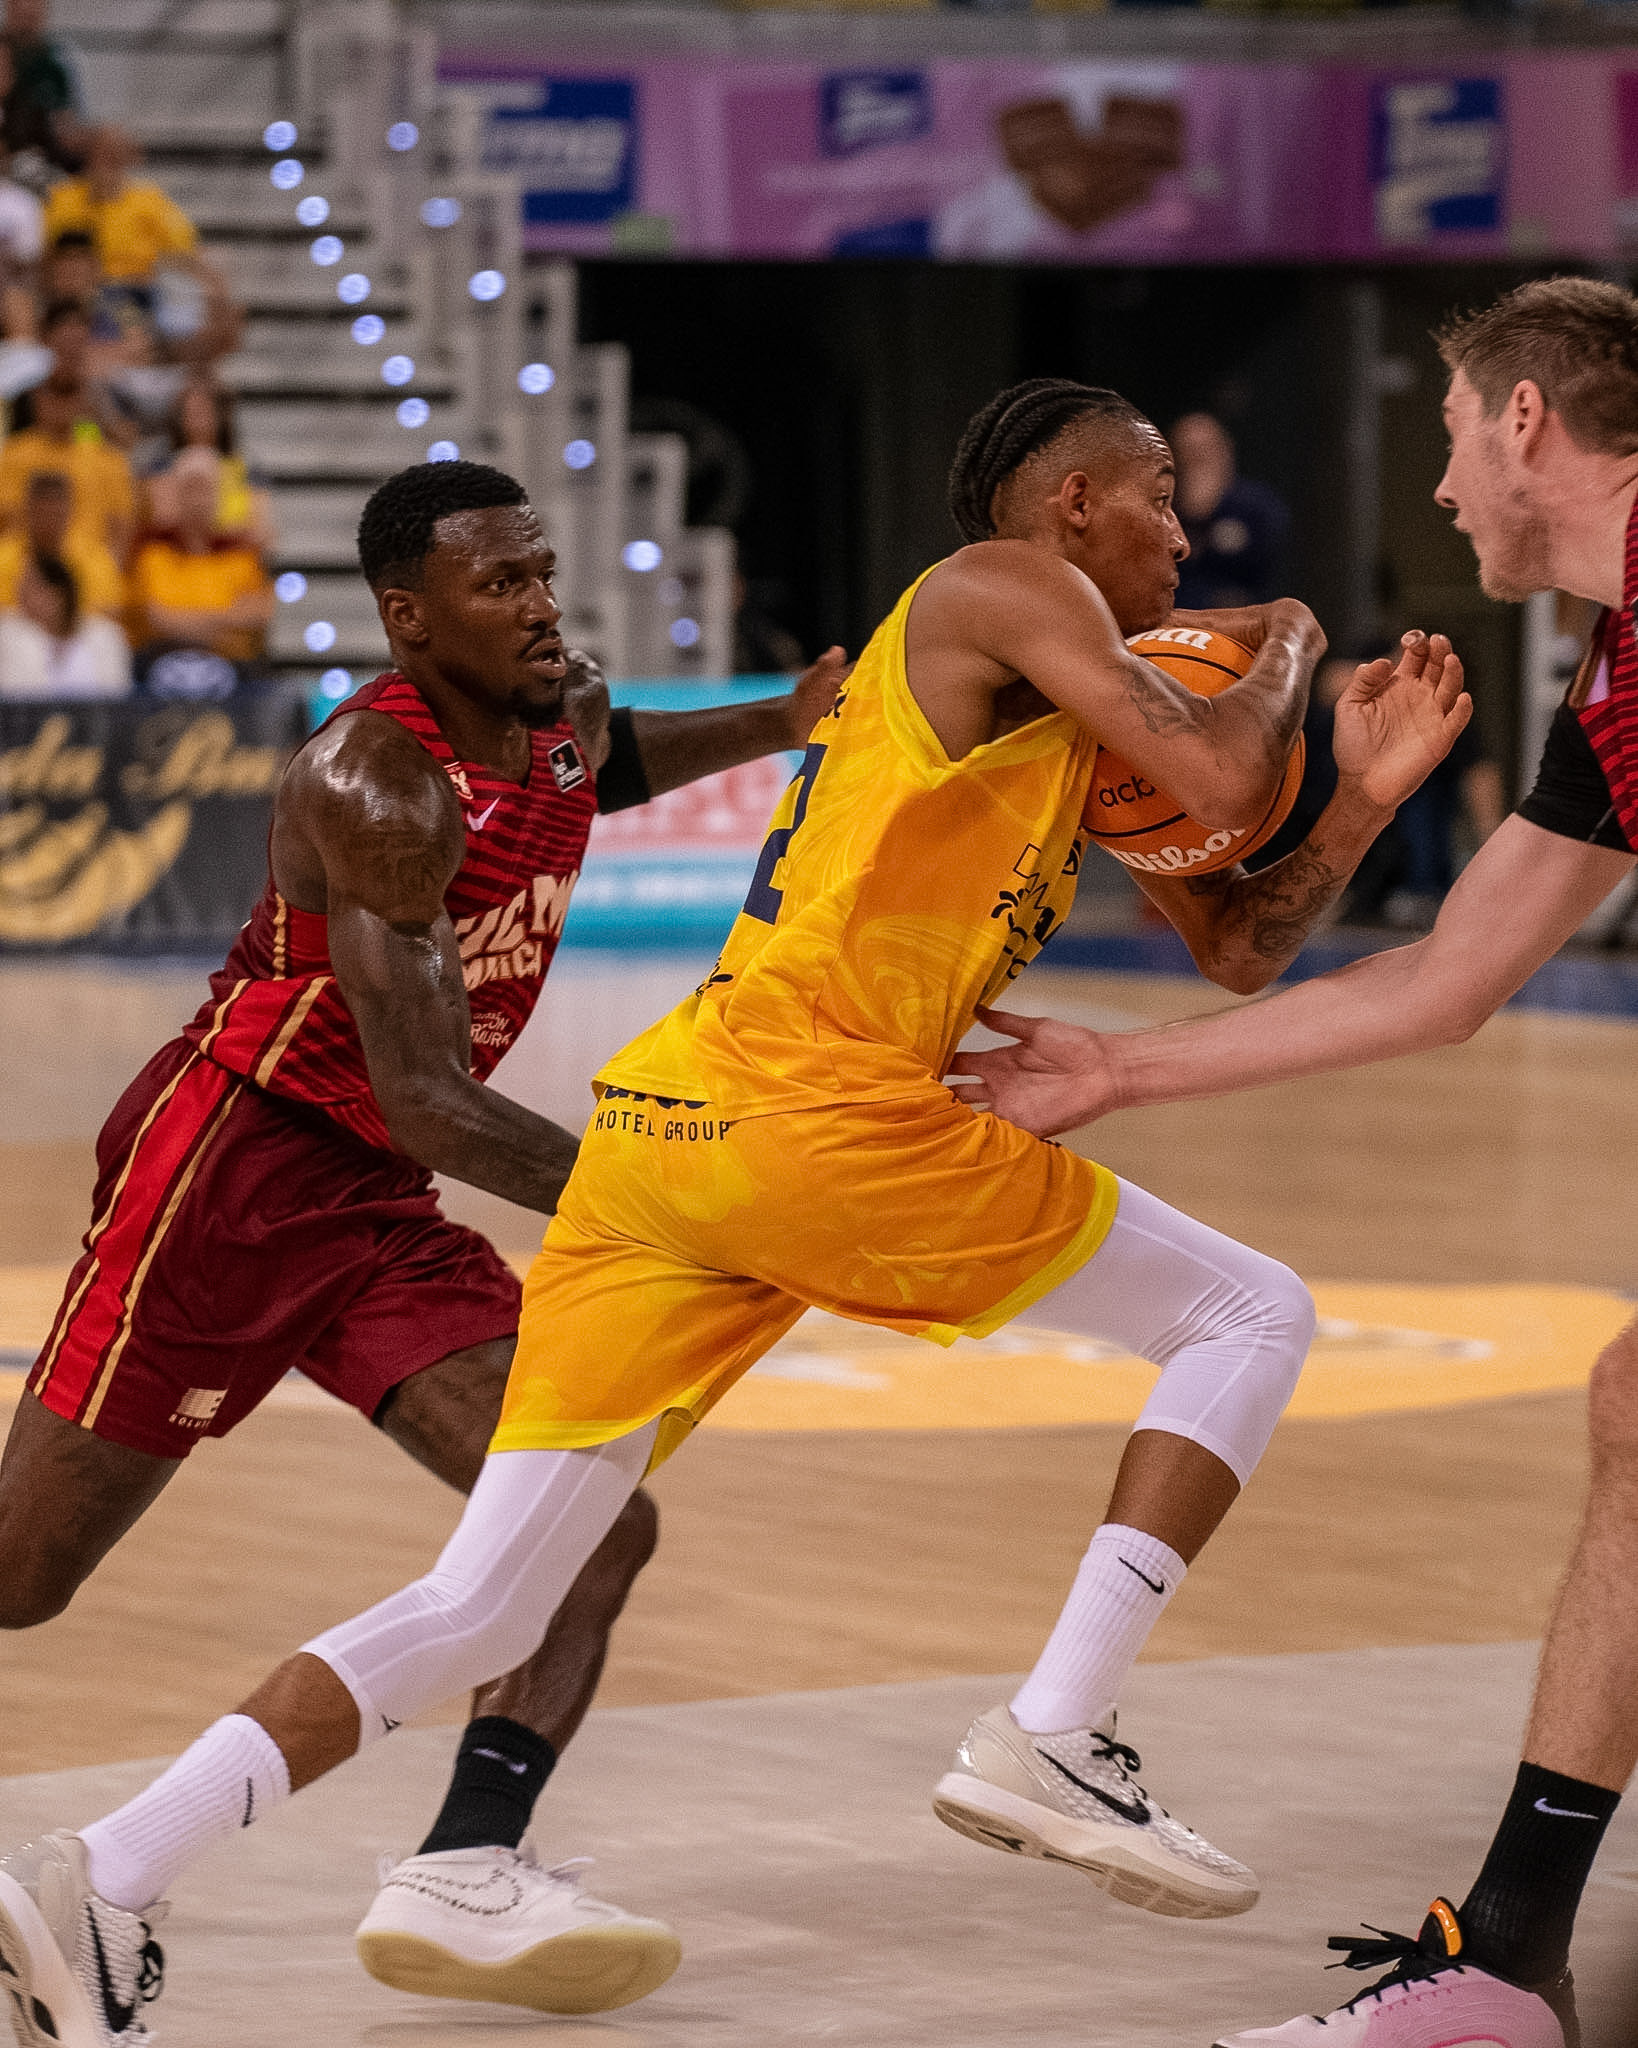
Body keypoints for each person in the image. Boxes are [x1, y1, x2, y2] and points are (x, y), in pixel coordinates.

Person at [0, 382, 1471, 2044]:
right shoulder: (997, 585)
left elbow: (1239, 945)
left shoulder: (1051, 715)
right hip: (764, 1120)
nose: (1184, 535)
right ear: (1068, 504)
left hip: (665, 1127)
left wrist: (1360, 798)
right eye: (1154, 496)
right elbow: (1220, 751)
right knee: (1249, 1312)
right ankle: (1054, 1728)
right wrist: (1288, 631)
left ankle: (113, 1871)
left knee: (501, 1590)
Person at [0, 457, 849, 2034]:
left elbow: (611, 759)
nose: (539, 605)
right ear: (409, 617)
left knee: (589, 1525)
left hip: (379, 1204)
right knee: (21, 1577)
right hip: (236, 1175)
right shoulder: (373, 784)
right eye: (498, 583)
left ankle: (467, 1860)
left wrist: (785, 719)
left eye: (541, 572)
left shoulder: (556, 713)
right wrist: (672, 1192)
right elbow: (432, 1100)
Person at [949, 281, 1638, 2048]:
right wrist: (1119, 1065)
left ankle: (1504, 1964)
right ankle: (1505, 1959)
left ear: (1524, 422)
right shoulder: (1613, 663)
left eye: (1447, 436)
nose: (1438, 492)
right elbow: (1446, 977)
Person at [127, 446, 271, 665]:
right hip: (161, 662)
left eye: (205, 489)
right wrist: (222, 624)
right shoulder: (152, 553)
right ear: (176, 495)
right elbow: (155, 618)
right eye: (190, 489)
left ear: (219, 496)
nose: (198, 500)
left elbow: (257, 614)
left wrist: (186, 622)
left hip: (233, 666)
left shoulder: (241, 554)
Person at [0, 370, 134, 564]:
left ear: (83, 401)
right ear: (38, 399)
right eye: (54, 395)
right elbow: (7, 519)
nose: (60, 406)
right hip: (23, 560)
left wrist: (109, 569)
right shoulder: (14, 452)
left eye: (69, 396)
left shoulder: (108, 458)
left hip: (88, 562)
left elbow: (121, 525)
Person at [1171, 411, 1290, 612]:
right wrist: (1192, 514)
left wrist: (1211, 510)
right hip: (1177, 617)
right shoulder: (1165, 508)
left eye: (1204, 451)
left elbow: (1264, 563)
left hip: (1245, 616)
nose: (1196, 461)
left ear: (1225, 451)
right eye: (1187, 452)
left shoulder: (1255, 505)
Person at [0, 547, 127, 695]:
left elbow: (119, 695)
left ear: (60, 593)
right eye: (21, 588)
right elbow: (12, 696)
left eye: (32, 587)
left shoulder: (106, 636)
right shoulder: (7, 635)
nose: (21, 595)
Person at [0, 469, 122, 616]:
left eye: (56, 513)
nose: (49, 521)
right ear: (27, 511)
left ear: (69, 512)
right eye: (42, 513)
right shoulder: (4, 557)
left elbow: (108, 611)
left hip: (74, 628)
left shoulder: (94, 558)